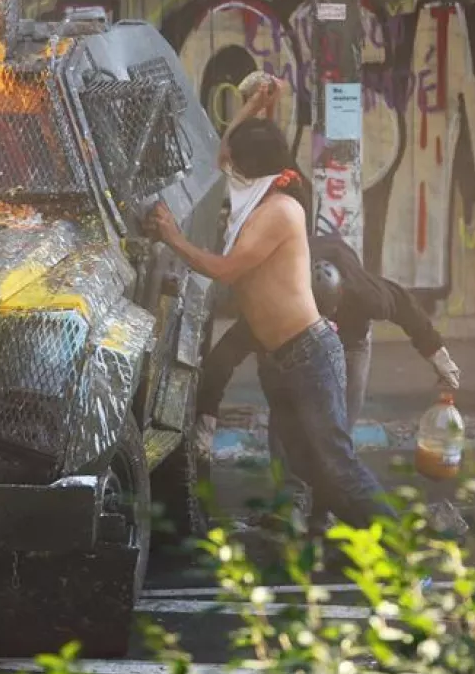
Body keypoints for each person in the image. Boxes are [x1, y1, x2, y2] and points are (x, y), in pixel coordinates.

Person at [144, 78, 395, 528]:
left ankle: (399, 547)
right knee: (309, 466)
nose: (228, 168)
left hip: (308, 353)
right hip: (279, 359)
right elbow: (226, 151)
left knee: (336, 466)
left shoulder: (279, 211)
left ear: (252, 171)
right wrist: (253, 108)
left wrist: (173, 238)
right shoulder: (253, 193)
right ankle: (362, 541)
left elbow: (226, 270)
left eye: (237, 165)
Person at [195, 233, 461, 447]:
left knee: (339, 425)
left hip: (352, 343)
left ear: (341, 297)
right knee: (288, 418)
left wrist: (439, 356)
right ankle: (291, 498)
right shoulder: (273, 305)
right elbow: (223, 358)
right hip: (287, 340)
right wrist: (206, 419)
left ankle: (325, 504)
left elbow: (405, 306)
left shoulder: (366, 295)